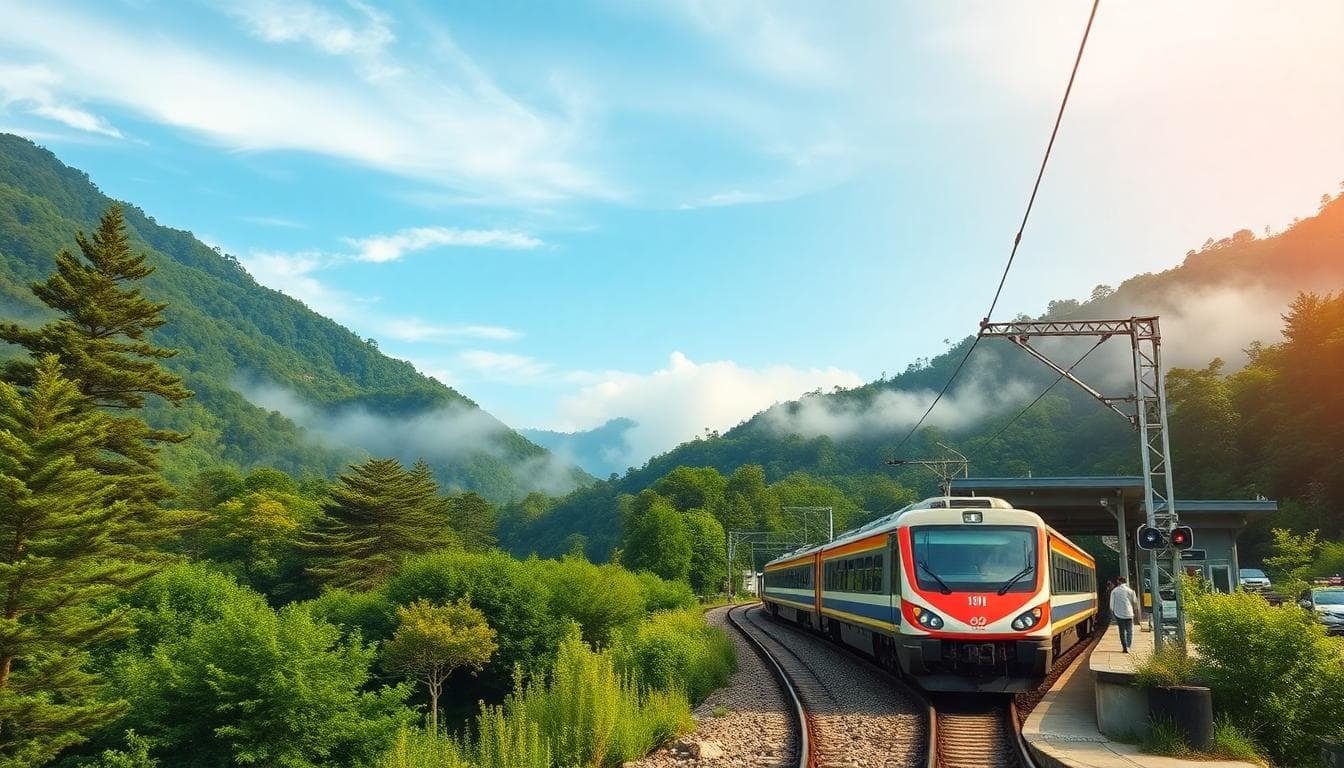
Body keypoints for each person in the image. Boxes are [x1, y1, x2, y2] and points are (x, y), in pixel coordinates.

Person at [1109, 576, 1140, 653]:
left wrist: (1113, 615)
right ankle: (1128, 646)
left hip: (1119, 614)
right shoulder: (1131, 591)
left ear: (1119, 582)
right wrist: (1136, 613)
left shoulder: (1114, 591)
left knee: (1122, 631)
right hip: (1129, 614)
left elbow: (1111, 606)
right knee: (1129, 631)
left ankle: (1124, 647)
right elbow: (1135, 602)